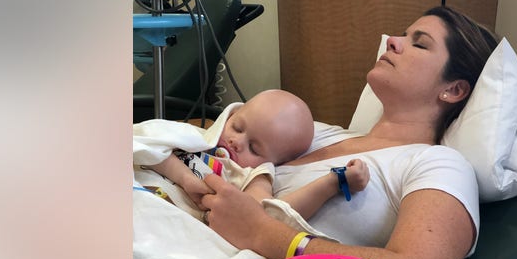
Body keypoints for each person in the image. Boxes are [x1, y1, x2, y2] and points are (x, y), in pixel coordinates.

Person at [198, 6, 498, 259]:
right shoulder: (321, 134)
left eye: (419, 43)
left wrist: (260, 231)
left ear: (453, 89)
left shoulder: (438, 164)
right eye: (403, 35)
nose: (393, 41)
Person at [145, 88, 370, 220]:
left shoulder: (255, 175)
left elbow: (271, 215)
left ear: (276, 162)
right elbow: (148, 149)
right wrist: (185, 178)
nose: (236, 142)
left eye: (254, 148)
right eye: (237, 127)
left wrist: (333, 182)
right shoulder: (196, 139)